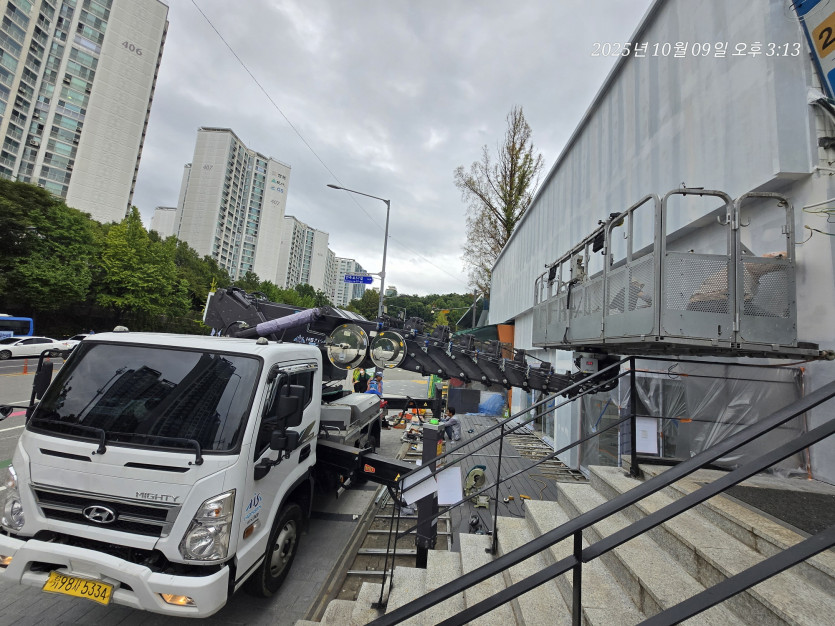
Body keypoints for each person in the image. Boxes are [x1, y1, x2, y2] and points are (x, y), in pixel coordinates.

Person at [686, 251, 786, 315]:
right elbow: (772, 260)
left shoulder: (737, 269)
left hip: (695, 307)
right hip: (718, 301)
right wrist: (789, 259)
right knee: (766, 319)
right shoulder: (749, 265)